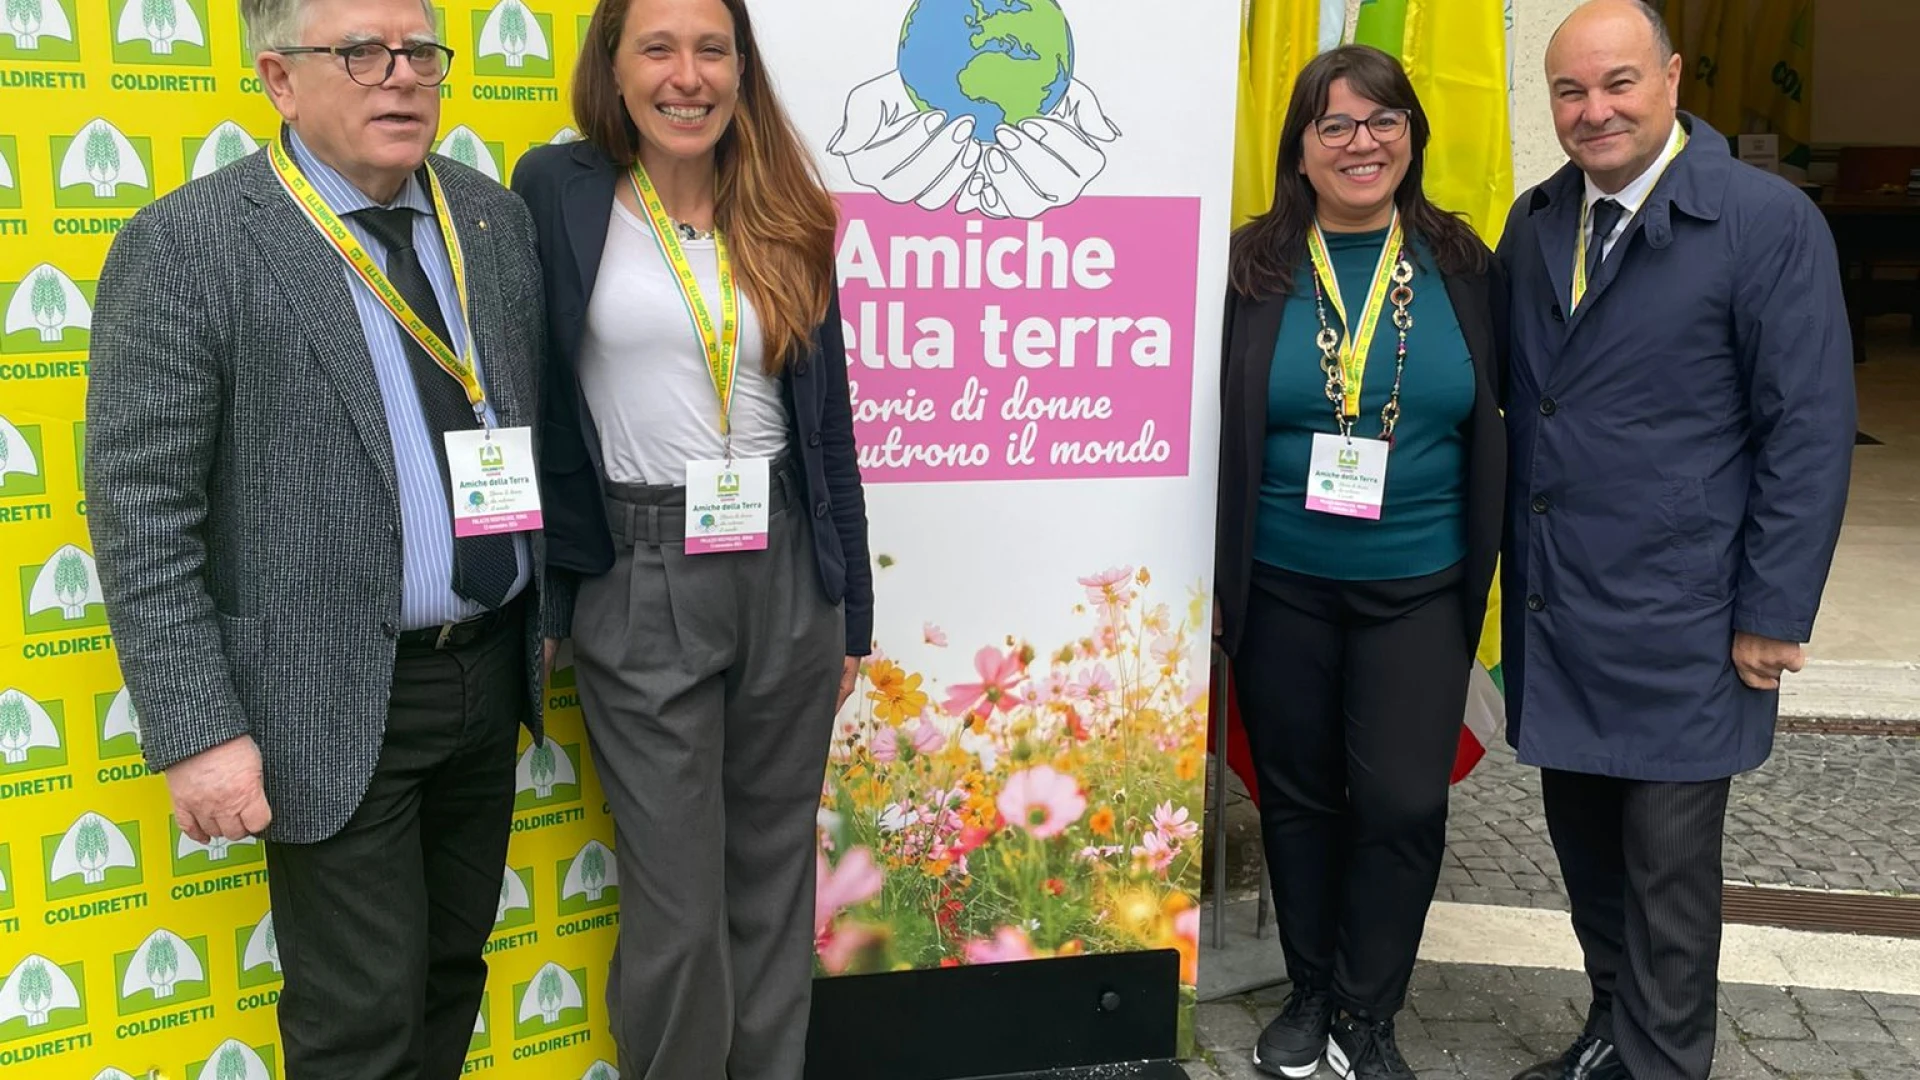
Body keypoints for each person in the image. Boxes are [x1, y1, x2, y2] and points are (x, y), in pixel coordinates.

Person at [85, 0, 554, 1077]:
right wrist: (198, 729)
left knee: (449, 984)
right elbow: (142, 512)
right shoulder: (187, 246)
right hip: (327, 694)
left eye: (420, 53)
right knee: (359, 1024)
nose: (401, 78)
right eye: (360, 53)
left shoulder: (489, 221)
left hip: (487, 673)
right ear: (279, 79)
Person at [509, 0, 872, 1076]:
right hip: (639, 559)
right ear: (611, 70)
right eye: (657, 48)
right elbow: (530, 394)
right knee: (676, 902)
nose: (688, 75)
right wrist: (547, 596)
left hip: (785, 560)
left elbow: (828, 423)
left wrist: (852, 604)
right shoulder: (556, 191)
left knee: (772, 879)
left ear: (741, 68)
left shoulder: (788, 208)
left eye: (712, 49)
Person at [1495, 3, 1856, 1078]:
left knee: (1667, 876)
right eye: (1569, 91)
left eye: (1618, 83)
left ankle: (1660, 1063)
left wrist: (1772, 611)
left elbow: (1809, 428)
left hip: (1688, 619)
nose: (1593, 110)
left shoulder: (1764, 222)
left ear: (1673, 77)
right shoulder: (1537, 219)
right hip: (1562, 607)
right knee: (1589, 859)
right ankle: (1613, 1032)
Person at [1215, 44, 1508, 1080]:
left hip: (1420, 584)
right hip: (1282, 582)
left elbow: (1506, 415)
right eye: (1333, 124)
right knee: (1298, 797)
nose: (1360, 143)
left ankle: (1367, 1012)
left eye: (1383, 121)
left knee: (1402, 804)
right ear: (1299, 149)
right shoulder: (1252, 268)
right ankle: (1309, 993)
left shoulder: (1463, 265)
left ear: (1413, 137)